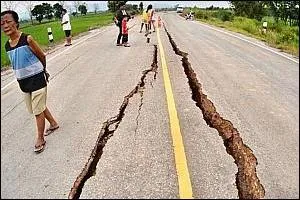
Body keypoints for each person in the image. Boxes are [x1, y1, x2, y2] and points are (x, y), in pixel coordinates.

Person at [1, 10, 59, 153]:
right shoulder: (7, 45)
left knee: (37, 110)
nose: (5, 25)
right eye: (2, 23)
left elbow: (41, 55)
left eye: (8, 21)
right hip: (23, 83)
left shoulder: (27, 39)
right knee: (36, 107)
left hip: (37, 78)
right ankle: (53, 123)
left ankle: (40, 138)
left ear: (16, 23)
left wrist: (43, 71)